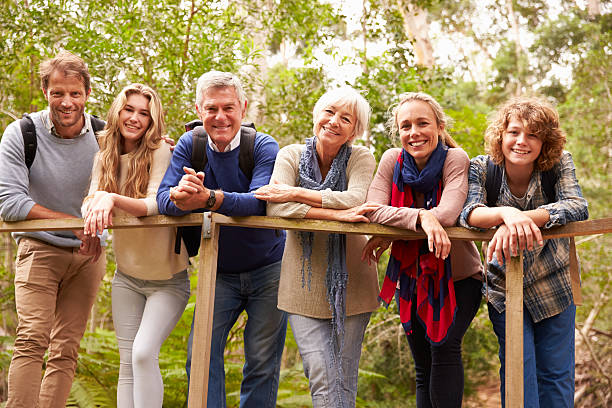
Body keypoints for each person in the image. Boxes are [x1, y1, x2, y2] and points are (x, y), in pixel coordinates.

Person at [156, 70, 287, 408]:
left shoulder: (263, 146)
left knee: (260, 361)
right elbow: (163, 199)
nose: (220, 117)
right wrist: (183, 195)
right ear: (199, 110)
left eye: (228, 107)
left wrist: (208, 199)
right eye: (211, 108)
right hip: (219, 271)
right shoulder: (191, 144)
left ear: (242, 108)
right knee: (200, 354)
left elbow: (259, 201)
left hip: (269, 269)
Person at [254, 86, 380, 408]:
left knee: (343, 377)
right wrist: (333, 213)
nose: (334, 121)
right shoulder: (290, 155)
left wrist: (295, 194)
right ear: (317, 114)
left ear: (355, 130)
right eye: (329, 112)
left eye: (346, 118)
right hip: (301, 287)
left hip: (353, 285)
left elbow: (356, 200)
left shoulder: (361, 157)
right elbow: (275, 208)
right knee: (321, 373)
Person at [459, 97, 588, 408]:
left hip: (554, 284)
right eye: (514, 132)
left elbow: (576, 205)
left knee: (556, 376)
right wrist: (507, 214)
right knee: (518, 373)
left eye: (533, 135)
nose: (521, 142)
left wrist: (524, 219)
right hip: (505, 288)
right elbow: (469, 213)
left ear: (546, 141)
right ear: (500, 135)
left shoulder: (558, 164)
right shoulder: (482, 167)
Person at [361, 92, 483, 408]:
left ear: (440, 127)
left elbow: (448, 213)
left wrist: (427, 218)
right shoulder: (391, 160)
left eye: (422, 123)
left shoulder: (455, 159)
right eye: (406, 126)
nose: (414, 132)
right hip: (410, 280)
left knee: (443, 349)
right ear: (398, 132)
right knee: (422, 367)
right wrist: (422, 217)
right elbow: (372, 209)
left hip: (460, 279)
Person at [0, 51, 105, 408]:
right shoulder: (22, 133)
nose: (67, 102)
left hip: (89, 256)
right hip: (39, 249)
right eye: (58, 92)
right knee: (32, 339)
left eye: (75, 93)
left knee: (66, 348)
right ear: (45, 90)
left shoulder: (105, 136)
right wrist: (72, 225)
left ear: (87, 93)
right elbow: (10, 204)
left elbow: (140, 175)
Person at [80, 83, 189, 407]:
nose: (135, 118)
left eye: (144, 113)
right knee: (127, 363)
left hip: (167, 282)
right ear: (118, 111)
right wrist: (99, 202)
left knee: (143, 354)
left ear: (152, 119)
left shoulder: (160, 152)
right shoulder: (104, 155)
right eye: (129, 110)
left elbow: (157, 203)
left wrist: (110, 198)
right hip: (126, 278)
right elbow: (89, 203)